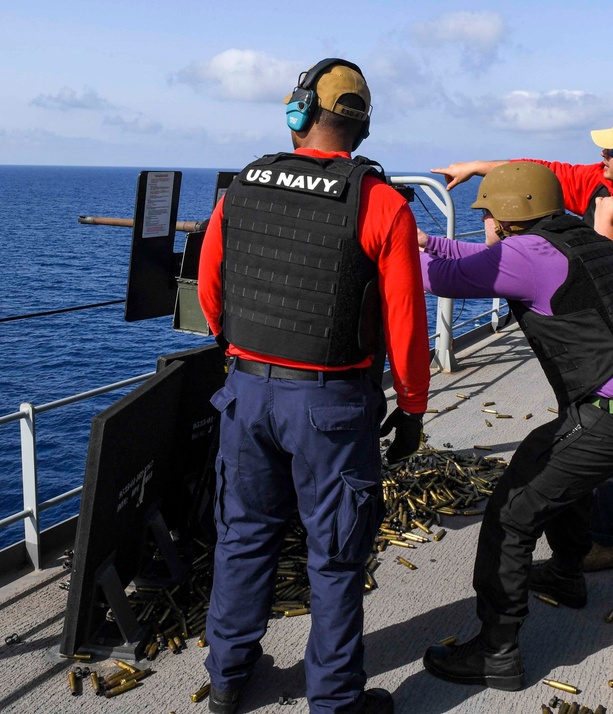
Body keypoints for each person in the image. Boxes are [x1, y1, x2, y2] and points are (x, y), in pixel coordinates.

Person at [197, 57, 430, 714]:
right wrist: (411, 410)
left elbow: (212, 295)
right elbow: (406, 326)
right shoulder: (380, 202)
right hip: (331, 404)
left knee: (244, 534)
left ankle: (227, 676)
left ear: (299, 113)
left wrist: (245, 352)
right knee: (334, 555)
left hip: (245, 393)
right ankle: (334, 702)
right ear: (361, 126)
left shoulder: (242, 186)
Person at [418, 162, 613, 690]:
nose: (484, 224)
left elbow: (436, 276)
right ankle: (566, 574)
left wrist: (376, 241)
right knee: (556, 468)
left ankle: (496, 654)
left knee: (513, 512)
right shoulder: (579, 239)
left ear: (505, 216)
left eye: (487, 214)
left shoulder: (525, 256)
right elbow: (468, 256)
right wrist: (418, 236)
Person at [431, 110, 613, 572]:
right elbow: (547, 175)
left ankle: (611, 540)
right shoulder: (607, 182)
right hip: (594, 344)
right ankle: (577, 545)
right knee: (585, 437)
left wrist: (603, 227)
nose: (602, 155)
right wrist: (479, 168)